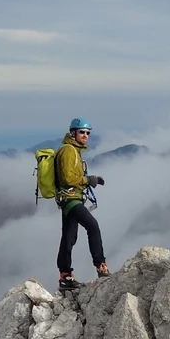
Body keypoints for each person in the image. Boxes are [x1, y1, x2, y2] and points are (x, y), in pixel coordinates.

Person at [54, 118, 109, 292]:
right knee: (92, 226)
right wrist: (88, 180)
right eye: (82, 132)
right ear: (73, 133)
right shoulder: (69, 151)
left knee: (69, 237)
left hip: (70, 198)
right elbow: (68, 178)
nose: (85, 135)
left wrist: (92, 179)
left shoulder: (73, 150)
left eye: (87, 133)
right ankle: (101, 267)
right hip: (70, 199)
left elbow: (71, 177)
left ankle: (65, 276)